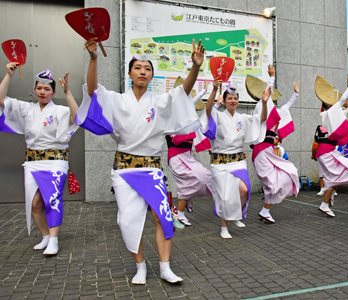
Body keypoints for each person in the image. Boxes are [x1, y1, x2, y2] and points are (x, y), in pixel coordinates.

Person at [76, 38, 204, 284]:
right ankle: (140, 266)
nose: (143, 72)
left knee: (162, 217)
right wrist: (93, 58)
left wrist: (195, 67)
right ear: (130, 73)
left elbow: (183, 92)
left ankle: (165, 267)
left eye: (147, 69)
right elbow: (93, 91)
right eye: (138, 68)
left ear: (152, 75)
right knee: (127, 220)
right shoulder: (117, 100)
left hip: (152, 169)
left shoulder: (159, 102)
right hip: (124, 170)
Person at [0, 64, 79, 255]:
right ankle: (45, 235)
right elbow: (2, 100)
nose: (42, 92)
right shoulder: (27, 108)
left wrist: (68, 92)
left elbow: (77, 116)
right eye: (39, 88)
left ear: (53, 92)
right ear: (34, 90)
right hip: (33, 161)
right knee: (35, 203)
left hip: (55, 161)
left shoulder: (59, 110)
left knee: (51, 199)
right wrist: (8, 75)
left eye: (46, 89)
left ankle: (54, 239)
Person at [202, 79, 270, 238]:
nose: (233, 101)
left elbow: (261, 119)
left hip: (238, 161)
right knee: (224, 197)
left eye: (235, 98)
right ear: (224, 101)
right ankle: (224, 227)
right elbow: (208, 110)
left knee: (244, 190)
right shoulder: (218, 116)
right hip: (220, 163)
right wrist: (214, 91)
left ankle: (235, 214)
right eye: (230, 98)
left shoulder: (242, 118)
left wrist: (265, 103)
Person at [252, 65, 299, 224]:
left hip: (269, 152)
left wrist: (295, 95)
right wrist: (272, 77)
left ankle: (266, 210)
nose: (268, 97)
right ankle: (262, 209)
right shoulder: (260, 108)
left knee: (289, 172)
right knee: (273, 183)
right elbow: (267, 95)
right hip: (260, 152)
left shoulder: (274, 114)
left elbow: (287, 107)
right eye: (266, 94)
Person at [315, 76, 348, 217]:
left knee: (344, 172)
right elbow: (342, 101)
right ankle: (324, 204)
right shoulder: (327, 114)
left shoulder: (334, 113)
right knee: (336, 177)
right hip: (326, 152)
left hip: (329, 151)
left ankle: (328, 195)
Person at [165, 80, 215, 226]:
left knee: (205, 176)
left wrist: (204, 92)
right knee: (186, 184)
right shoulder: (170, 113)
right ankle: (180, 214)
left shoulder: (183, 111)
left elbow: (188, 104)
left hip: (187, 155)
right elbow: (185, 104)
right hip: (176, 156)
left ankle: (186, 202)